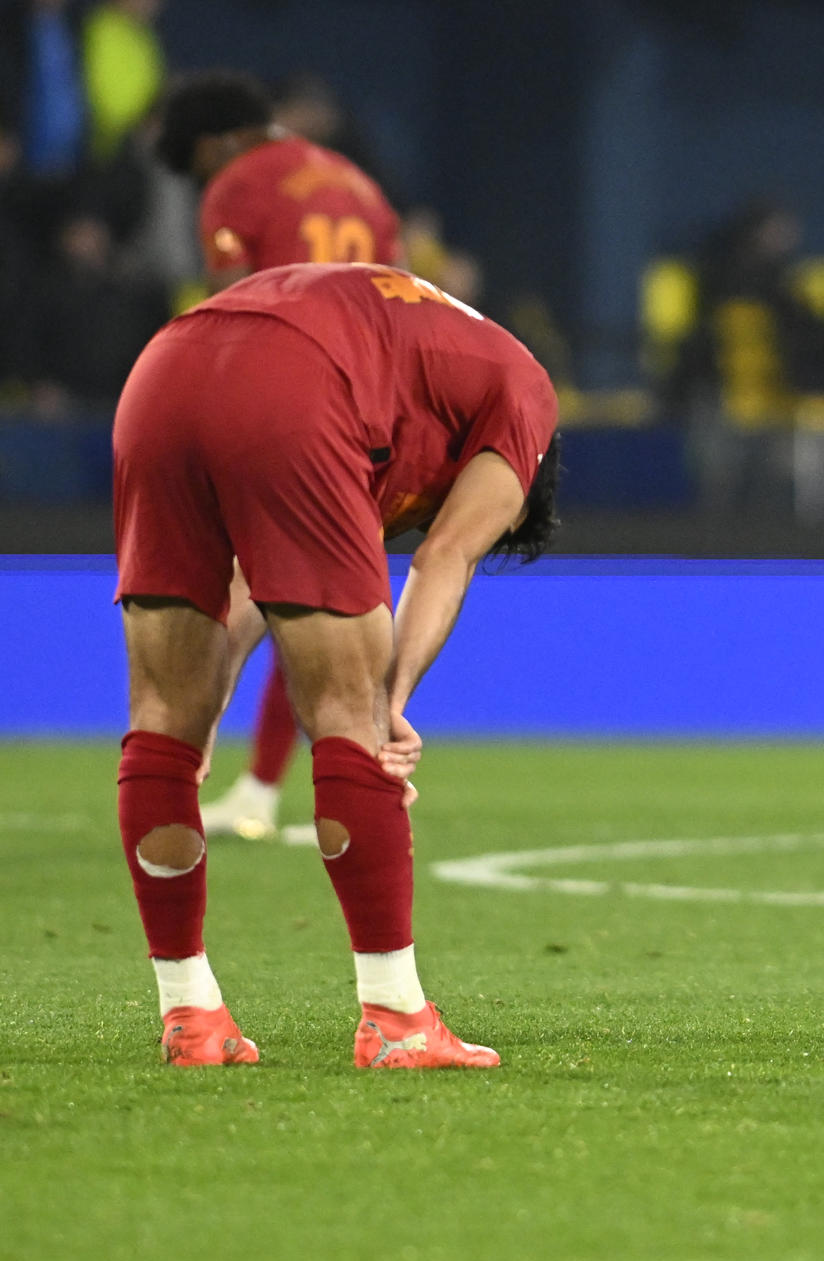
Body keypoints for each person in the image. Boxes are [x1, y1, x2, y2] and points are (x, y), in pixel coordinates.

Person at [113, 261, 561, 1068]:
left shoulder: (422, 354)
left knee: (162, 727)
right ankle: (398, 1020)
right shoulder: (526, 394)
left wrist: (209, 702)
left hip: (164, 369)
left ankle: (190, 1018)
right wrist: (390, 699)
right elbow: (447, 554)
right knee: (351, 725)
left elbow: (254, 579)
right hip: (296, 382)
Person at [155, 70, 404, 841]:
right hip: (364, 403)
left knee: (238, 594)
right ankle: (273, 787)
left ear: (218, 142)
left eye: (195, 164)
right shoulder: (362, 188)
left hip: (276, 396)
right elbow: (397, 298)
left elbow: (230, 299)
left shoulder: (237, 183)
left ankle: (174, 767)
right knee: (316, 597)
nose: (201, 180)